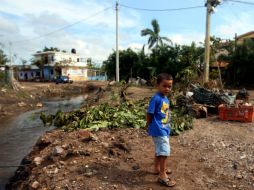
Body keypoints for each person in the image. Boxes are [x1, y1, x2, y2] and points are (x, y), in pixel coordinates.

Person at [146, 73, 176, 187]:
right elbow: (149, 113)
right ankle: (162, 175)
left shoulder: (165, 98)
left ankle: (156, 168)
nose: (167, 88)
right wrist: (149, 125)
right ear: (157, 85)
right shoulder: (156, 98)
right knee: (164, 151)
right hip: (158, 129)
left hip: (164, 128)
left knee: (159, 149)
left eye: (170, 86)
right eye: (165, 86)